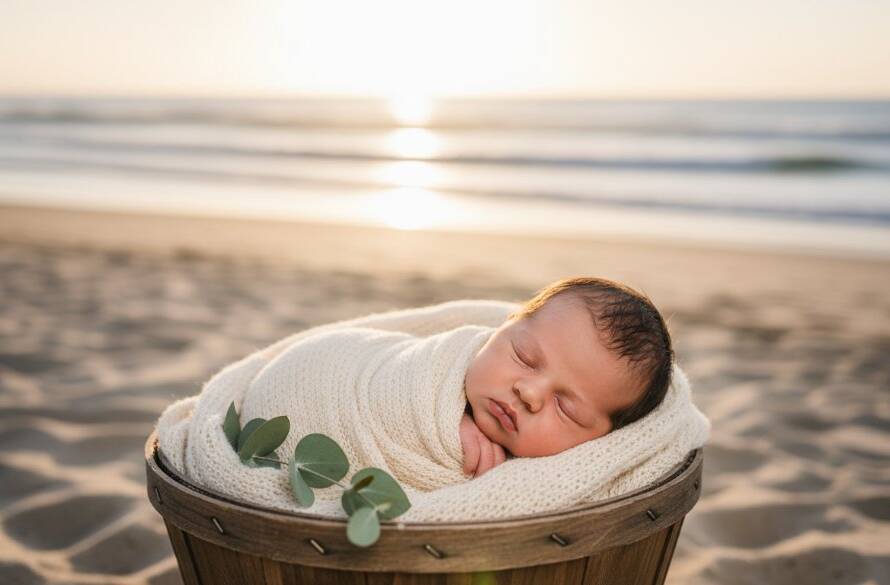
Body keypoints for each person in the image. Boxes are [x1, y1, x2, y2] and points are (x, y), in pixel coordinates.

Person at [460, 276, 674, 478]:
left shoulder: (557, 482)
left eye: (565, 408)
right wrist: (450, 419)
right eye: (524, 357)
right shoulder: (454, 353)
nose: (530, 393)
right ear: (507, 323)